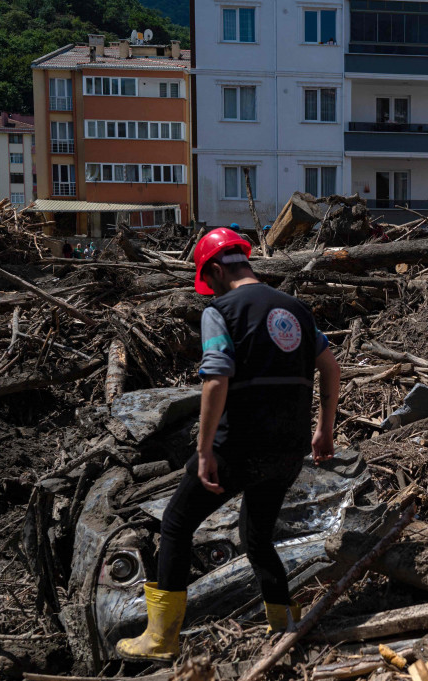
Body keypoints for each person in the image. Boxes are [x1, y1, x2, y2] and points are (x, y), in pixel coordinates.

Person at [115, 228, 340, 662]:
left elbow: (217, 378)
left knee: (177, 522)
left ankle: (161, 638)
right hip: (288, 449)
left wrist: (203, 451)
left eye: (208, 281)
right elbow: (330, 367)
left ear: (216, 270)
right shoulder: (295, 308)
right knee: (257, 536)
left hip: (238, 446)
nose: (210, 291)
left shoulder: (220, 311)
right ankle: (285, 624)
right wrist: (324, 429)